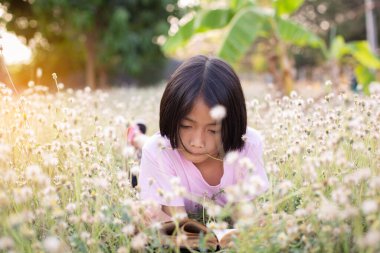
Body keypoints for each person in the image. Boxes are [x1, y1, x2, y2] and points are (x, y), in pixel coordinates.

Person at [138, 55, 269, 223]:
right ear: (170, 115)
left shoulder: (248, 144)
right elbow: (177, 223)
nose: (198, 142)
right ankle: (135, 136)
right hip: (155, 151)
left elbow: (244, 213)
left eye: (213, 130)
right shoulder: (158, 150)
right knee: (147, 145)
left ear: (232, 123)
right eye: (186, 126)